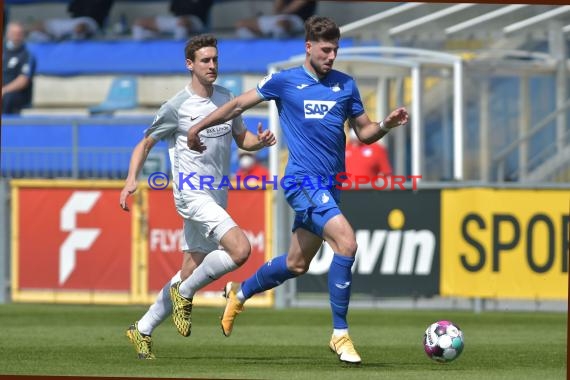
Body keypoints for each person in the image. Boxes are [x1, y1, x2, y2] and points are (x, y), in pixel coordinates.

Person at [186, 16, 409, 364]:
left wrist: (385, 125)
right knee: (347, 242)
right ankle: (340, 334)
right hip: (302, 181)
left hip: (331, 185)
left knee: (297, 263)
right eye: (325, 49)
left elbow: (363, 133)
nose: (331, 56)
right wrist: (199, 126)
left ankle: (239, 292)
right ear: (308, 47)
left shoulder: (346, 86)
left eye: (335, 49)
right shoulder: (285, 81)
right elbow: (236, 105)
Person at [119, 34, 275, 359]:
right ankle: (184, 293)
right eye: (205, 60)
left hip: (217, 192)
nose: (212, 65)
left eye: (215, 59)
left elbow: (241, 137)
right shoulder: (177, 106)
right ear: (190, 64)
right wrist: (132, 178)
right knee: (240, 249)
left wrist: (259, 141)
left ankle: (142, 328)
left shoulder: (227, 98)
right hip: (191, 191)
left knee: (191, 269)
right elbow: (145, 142)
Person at [28, 0, 114, 41]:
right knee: (37, 31)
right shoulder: (57, 25)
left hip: (88, 22)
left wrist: (70, 33)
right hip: (62, 30)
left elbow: (81, 27)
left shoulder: (89, 22)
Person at [132, 0, 213, 41]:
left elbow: (203, 9)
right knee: (139, 22)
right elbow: (173, 10)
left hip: (196, 21)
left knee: (182, 22)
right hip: (176, 20)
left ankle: (178, 48)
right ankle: (140, 49)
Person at [235, 0, 317, 39]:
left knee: (281, 24)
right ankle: (260, 44)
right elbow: (276, 11)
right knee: (241, 24)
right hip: (281, 17)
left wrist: (279, 15)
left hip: (300, 20)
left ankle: (276, 40)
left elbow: (290, 10)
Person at [2, 22, 36, 115]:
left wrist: (4, 90)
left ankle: (6, 126)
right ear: (8, 34)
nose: (17, 36)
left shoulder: (27, 55)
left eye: (19, 34)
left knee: (8, 97)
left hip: (17, 94)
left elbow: (23, 81)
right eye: (14, 33)